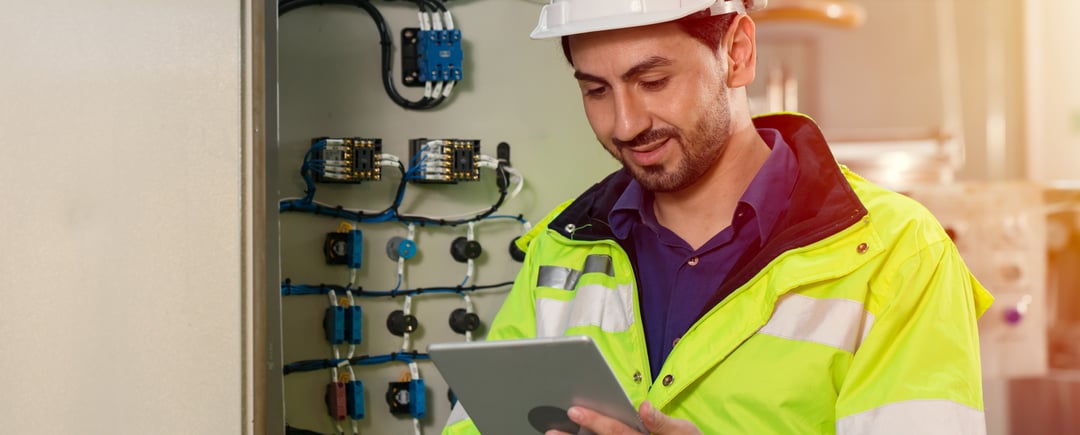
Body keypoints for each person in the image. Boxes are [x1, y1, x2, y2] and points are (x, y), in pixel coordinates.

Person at [443, 0, 994, 433]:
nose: (626, 124)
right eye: (596, 90)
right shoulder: (564, 245)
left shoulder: (897, 254)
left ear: (737, 52)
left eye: (653, 81)